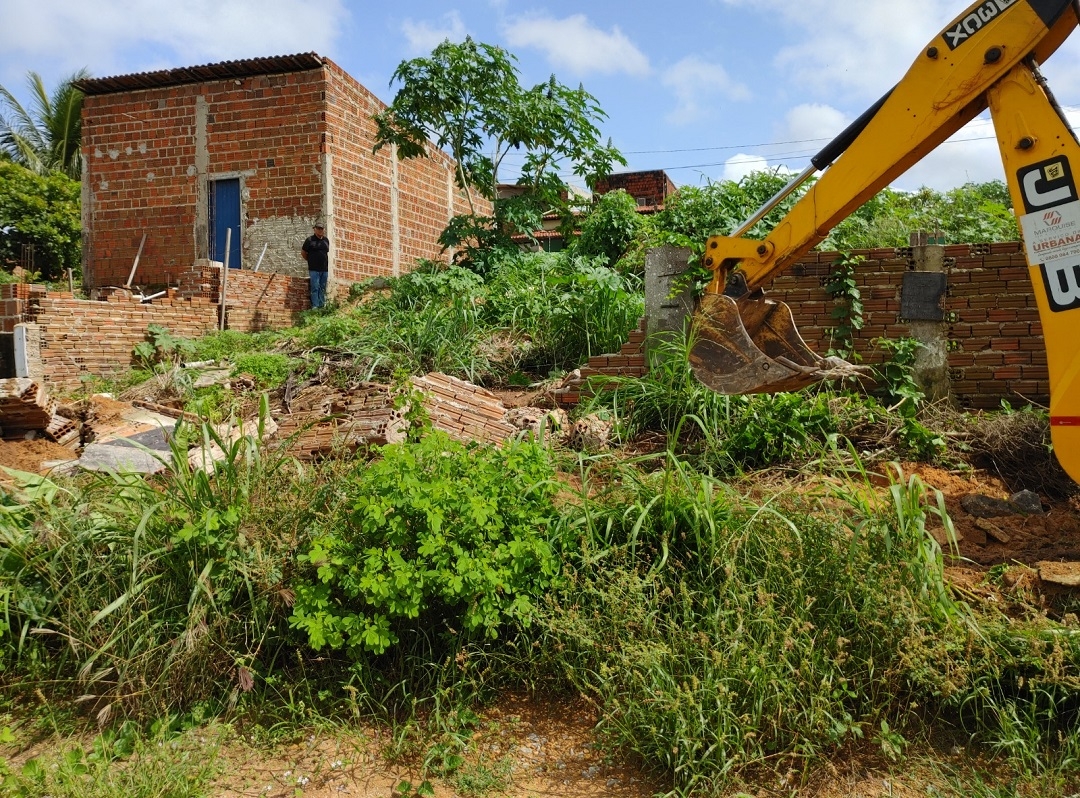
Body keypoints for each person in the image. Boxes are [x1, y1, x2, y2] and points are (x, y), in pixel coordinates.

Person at [301, 222, 330, 309]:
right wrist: (310, 260)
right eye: (318, 228)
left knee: (322, 288)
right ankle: (315, 306)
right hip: (314, 269)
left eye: (322, 228)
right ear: (315, 229)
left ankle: (321, 306)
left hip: (324, 269)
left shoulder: (326, 240)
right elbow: (303, 253)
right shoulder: (310, 240)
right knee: (315, 287)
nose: (320, 230)